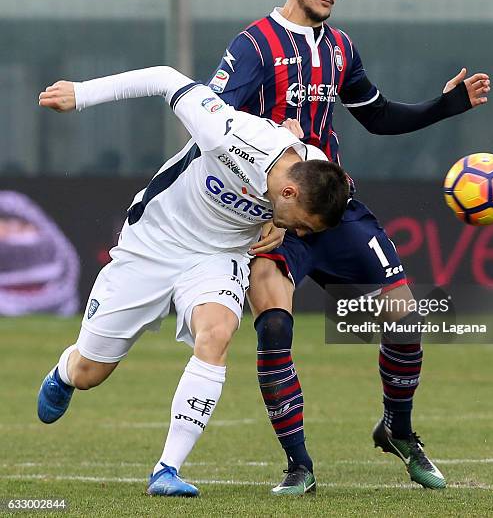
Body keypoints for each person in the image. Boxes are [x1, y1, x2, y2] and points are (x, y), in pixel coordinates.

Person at [207, 0, 491, 494]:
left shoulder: (340, 47)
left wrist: (447, 105)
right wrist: (259, 181)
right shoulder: (254, 46)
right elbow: (211, 121)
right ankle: (299, 465)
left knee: (406, 319)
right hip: (278, 216)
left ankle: (399, 431)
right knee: (274, 323)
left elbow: (379, 116)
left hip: (338, 208)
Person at [36, 65, 349, 497]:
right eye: (303, 226)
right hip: (153, 243)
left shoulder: (313, 174)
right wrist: (81, 93)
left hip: (218, 257)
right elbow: (166, 78)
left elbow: (323, 174)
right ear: (290, 194)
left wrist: (280, 222)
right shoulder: (229, 134)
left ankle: (166, 469)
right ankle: (65, 373)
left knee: (217, 334)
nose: (302, 235)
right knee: (91, 371)